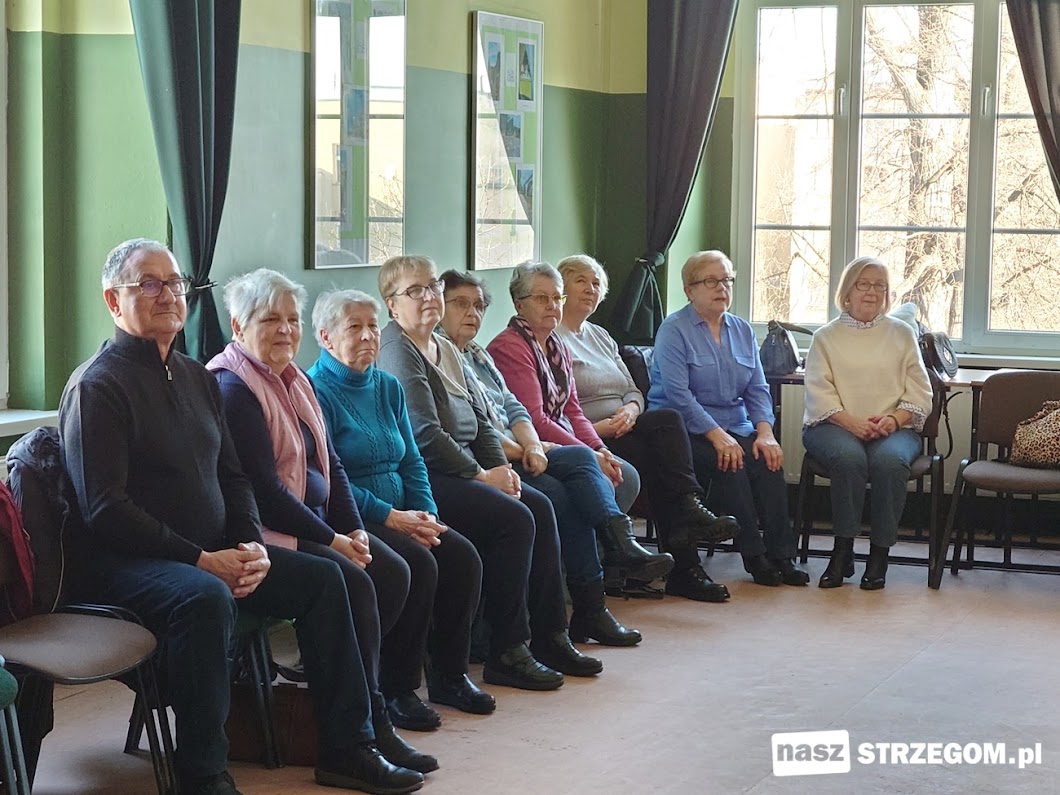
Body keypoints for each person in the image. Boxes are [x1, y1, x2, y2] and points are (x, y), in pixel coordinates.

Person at [59, 239, 423, 795]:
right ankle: (203, 773)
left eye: (175, 283)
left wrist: (251, 545)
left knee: (326, 579)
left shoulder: (193, 376)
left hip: (212, 552)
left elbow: (234, 478)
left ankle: (348, 747)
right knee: (204, 597)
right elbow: (105, 510)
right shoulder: (98, 385)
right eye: (148, 284)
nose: (168, 295)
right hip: (128, 564)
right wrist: (202, 559)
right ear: (113, 300)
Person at [205, 268, 435, 771]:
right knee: (350, 582)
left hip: (311, 522)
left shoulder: (295, 378)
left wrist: (353, 529)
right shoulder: (232, 387)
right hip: (266, 534)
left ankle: (364, 705)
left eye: (292, 319)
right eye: (271, 319)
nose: (286, 330)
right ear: (238, 326)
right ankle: (355, 733)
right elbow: (264, 494)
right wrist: (332, 540)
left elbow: (332, 464)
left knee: (393, 571)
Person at [374, 254, 602, 689]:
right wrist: (482, 476)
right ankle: (506, 649)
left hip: (466, 465)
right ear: (391, 303)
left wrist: (500, 469)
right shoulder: (398, 349)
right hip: (427, 475)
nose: (428, 297)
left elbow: (480, 419)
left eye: (432, 287)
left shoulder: (443, 347)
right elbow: (425, 435)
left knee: (539, 505)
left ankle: (551, 636)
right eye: (414, 291)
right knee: (513, 518)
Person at [306, 287, 496, 719]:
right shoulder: (316, 391)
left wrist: (427, 513)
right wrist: (391, 517)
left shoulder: (387, 386)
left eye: (373, 326)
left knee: (462, 557)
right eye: (354, 327)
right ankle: (398, 688)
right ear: (325, 337)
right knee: (419, 564)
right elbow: (331, 480)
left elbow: (412, 460)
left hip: (405, 512)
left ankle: (450, 676)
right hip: (356, 515)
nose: (368, 336)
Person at [437, 269, 642, 646]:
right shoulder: (474, 352)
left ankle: (602, 582)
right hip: (496, 458)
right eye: (461, 304)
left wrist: (594, 448)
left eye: (479, 306)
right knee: (561, 494)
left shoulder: (478, 354)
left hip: (526, 446)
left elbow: (518, 409)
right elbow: (485, 427)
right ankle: (592, 593)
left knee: (596, 466)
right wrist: (534, 448)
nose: (472, 313)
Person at [555, 254, 743, 602]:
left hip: (627, 423)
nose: (590, 289)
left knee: (668, 419)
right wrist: (600, 429)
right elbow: (558, 412)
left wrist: (631, 409)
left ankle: (688, 509)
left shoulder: (600, 336)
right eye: (580, 281)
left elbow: (632, 389)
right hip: (592, 435)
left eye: (596, 283)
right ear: (560, 289)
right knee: (660, 463)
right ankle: (685, 566)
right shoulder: (553, 339)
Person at [485, 262, 675, 587]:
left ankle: (606, 562)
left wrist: (601, 449)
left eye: (556, 298)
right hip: (530, 446)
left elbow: (573, 410)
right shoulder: (509, 346)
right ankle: (600, 567)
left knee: (626, 475)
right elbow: (535, 419)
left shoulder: (556, 345)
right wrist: (591, 454)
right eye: (541, 298)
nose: (552, 306)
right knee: (586, 481)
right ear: (519, 304)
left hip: (565, 442)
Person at [647, 250, 809, 592]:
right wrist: (717, 435)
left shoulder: (742, 329)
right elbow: (678, 396)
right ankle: (755, 556)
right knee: (732, 464)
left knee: (769, 461)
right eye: (711, 281)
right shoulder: (673, 330)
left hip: (737, 425)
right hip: (685, 431)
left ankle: (782, 556)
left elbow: (757, 388)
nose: (722, 288)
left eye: (727, 280)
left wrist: (765, 432)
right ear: (689, 289)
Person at [802, 256, 933, 590]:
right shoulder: (825, 337)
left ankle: (879, 555)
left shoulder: (903, 334)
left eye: (879, 286)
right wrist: (852, 424)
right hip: (833, 425)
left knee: (890, 462)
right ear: (847, 291)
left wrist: (893, 420)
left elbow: (920, 392)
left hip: (893, 428)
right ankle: (842, 551)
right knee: (849, 459)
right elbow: (819, 393)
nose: (872, 292)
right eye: (863, 284)